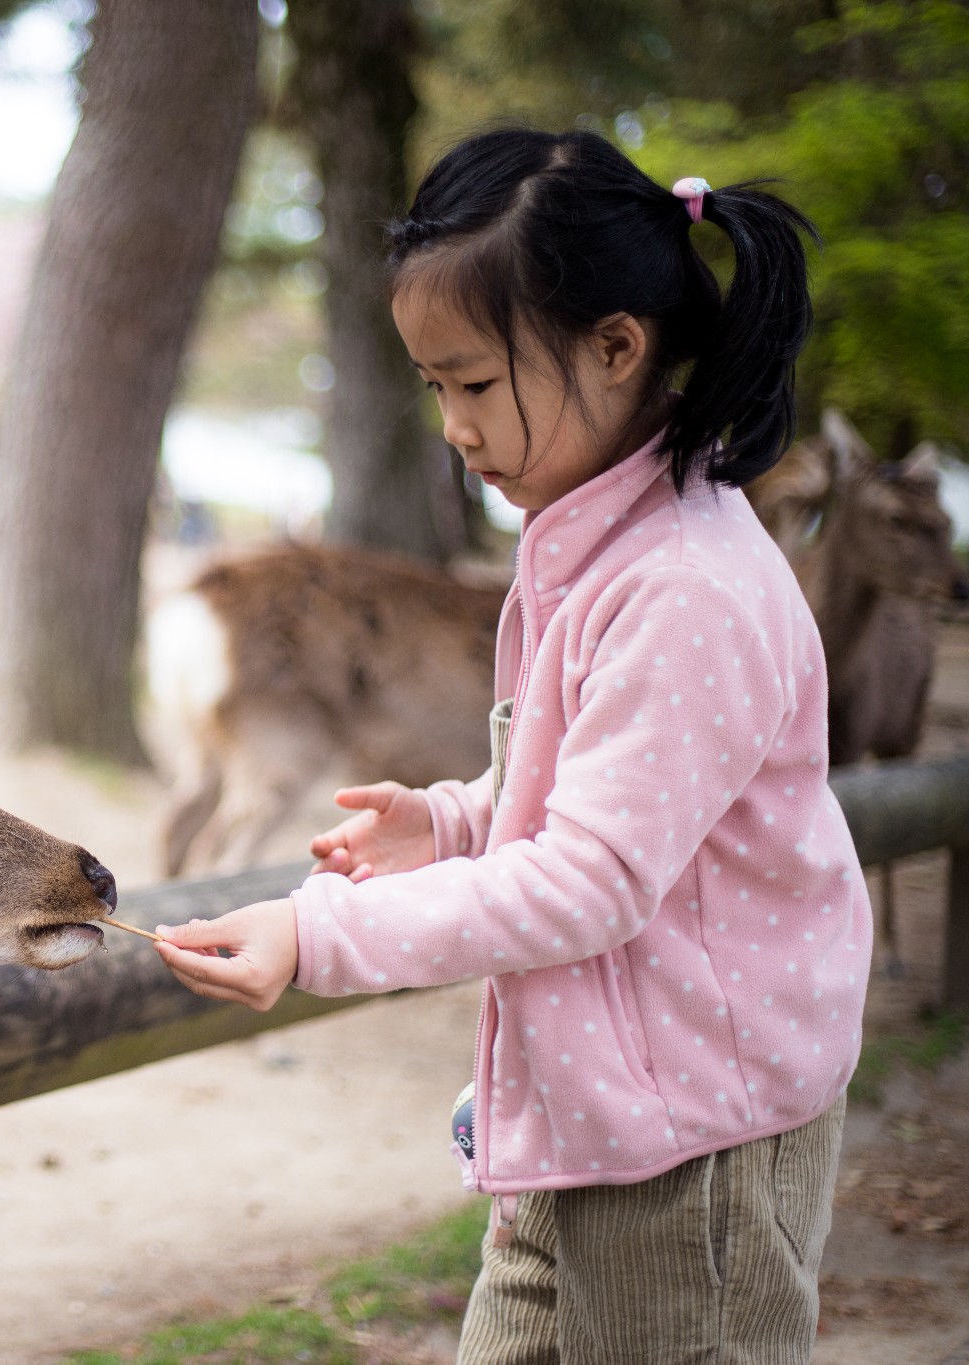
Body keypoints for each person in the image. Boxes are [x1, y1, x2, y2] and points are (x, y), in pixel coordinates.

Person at [153, 128, 868, 1364]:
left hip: (690, 1154)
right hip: (590, 1114)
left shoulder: (681, 586)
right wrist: (448, 821)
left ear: (613, 347)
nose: (452, 427)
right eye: (433, 389)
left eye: (474, 384)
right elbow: (601, 800)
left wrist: (313, 935)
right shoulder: (596, 548)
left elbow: (593, 879)